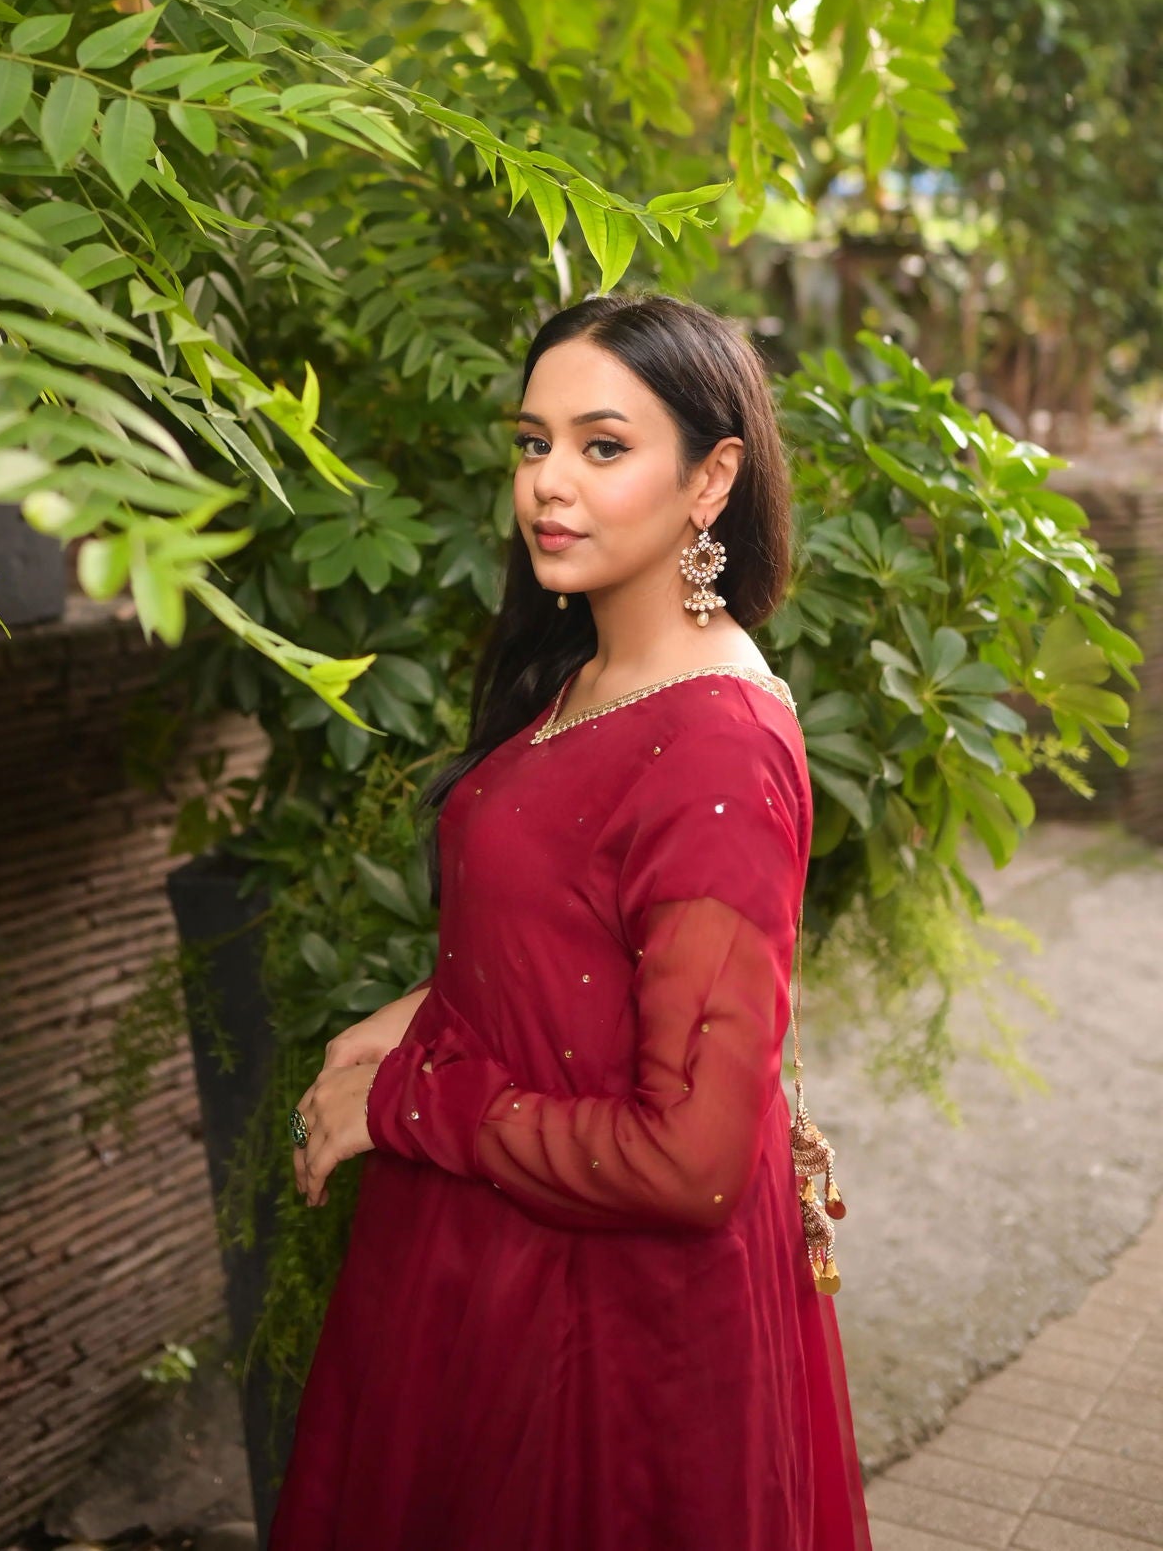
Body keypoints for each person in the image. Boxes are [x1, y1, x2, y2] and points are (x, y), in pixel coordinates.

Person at [269, 292, 871, 1551]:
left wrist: (404, 1102)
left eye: (603, 447)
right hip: (489, 1257)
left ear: (712, 477)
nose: (550, 483)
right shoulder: (584, 670)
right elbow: (557, 928)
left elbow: (688, 1159)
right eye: (532, 442)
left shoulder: (715, 735)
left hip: (606, 1331)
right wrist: (398, 1020)